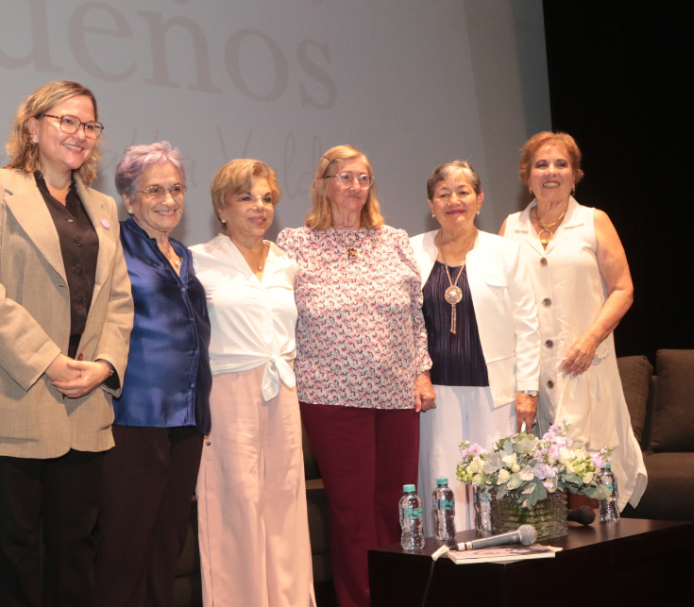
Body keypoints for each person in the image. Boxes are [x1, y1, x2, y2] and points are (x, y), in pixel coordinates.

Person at [0, 80, 133, 607]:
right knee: (16, 552)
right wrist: (48, 360)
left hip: (86, 400)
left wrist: (105, 365)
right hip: (16, 394)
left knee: (77, 550)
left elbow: (119, 300)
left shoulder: (103, 206)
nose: (80, 133)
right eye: (67, 120)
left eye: (89, 124)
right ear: (32, 127)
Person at [276, 145, 435, 607]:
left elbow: (415, 315)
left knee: (398, 506)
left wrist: (422, 372)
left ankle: (399, 596)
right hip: (330, 395)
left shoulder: (394, 240)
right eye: (345, 177)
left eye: (363, 178)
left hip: (397, 394)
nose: (355, 186)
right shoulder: (295, 243)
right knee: (351, 512)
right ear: (323, 184)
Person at [190, 159, 317, 607]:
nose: (259, 207)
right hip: (227, 395)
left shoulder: (286, 264)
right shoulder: (196, 261)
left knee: (284, 504)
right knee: (235, 506)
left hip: (282, 391)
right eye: (245, 197)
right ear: (221, 208)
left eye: (266, 198)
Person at [499, 131, 647, 511]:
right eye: (541, 164)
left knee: (589, 478)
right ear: (526, 176)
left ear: (575, 175)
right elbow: (501, 302)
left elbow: (623, 289)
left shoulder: (594, 221)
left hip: (583, 366)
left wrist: (590, 339)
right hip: (531, 375)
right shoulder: (509, 228)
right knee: (537, 486)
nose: (551, 172)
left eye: (561, 164)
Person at [94, 141, 211, 607]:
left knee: (167, 542)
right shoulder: (112, 245)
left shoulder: (182, 251)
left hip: (188, 413)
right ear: (128, 198)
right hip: (134, 412)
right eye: (154, 190)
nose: (169, 199)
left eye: (176, 188)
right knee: (125, 544)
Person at [410, 160, 540, 536]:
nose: (454, 201)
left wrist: (527, 390)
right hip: (435, 394)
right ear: (431, 205)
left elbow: (528, 325)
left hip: (495, 393)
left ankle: (498, 559)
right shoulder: (411, 250)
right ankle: (445, 559)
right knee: (442, 484)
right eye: (443, 194)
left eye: (463, 192)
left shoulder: (506, 252)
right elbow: (403, 323)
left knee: (494, 488)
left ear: (479, 199)